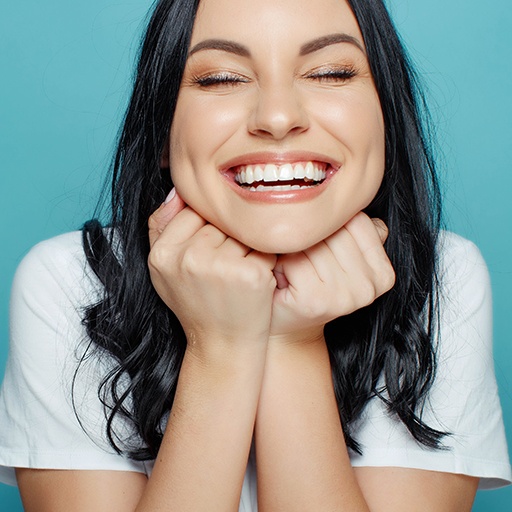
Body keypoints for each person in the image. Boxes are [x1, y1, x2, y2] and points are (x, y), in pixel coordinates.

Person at [0, 0, 510, 510]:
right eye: (221, 79)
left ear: (386, 118)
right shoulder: (70, 281)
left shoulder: (442, 277)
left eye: (331, 72)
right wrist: (218, 347)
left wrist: (293, 342)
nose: (278, 117)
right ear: (160, 131)